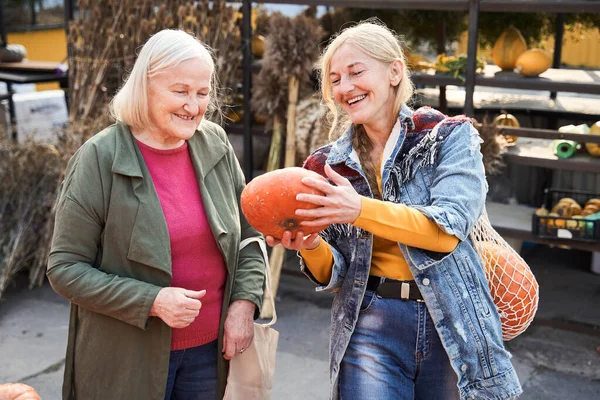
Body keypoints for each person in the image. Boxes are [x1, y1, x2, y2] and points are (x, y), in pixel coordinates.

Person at [266, 22, 522, 400]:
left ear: (395, 71)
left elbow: (446, 232)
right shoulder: (326, 166)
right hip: (370, 321)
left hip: (452, 319)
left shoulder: (448, 138)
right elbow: (335, 272)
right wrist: (308, 244)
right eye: (335, 79)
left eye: (356, 72)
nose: (345, 88)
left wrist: (359, 209)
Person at [47, 29, 266, 400]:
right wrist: (152, 300)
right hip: (126, 360)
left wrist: (244, 305)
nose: (193, 106)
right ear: (144, 87)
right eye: (180, 91)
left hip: (210, 354)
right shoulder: (99, 158)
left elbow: (249, 234)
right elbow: (65, 269)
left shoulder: (214, 143)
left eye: (201, 93)